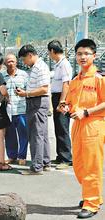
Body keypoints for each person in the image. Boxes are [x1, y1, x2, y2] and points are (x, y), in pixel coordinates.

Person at [58, 39, 105, 219]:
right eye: (79, 54)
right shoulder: (75, 81)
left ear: (94, 56)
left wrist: (87, 112)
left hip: (94, 125)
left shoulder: (99, 79)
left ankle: (92, 203)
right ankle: (91, 194)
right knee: (78, 165)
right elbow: (70, 103)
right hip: (77, 125)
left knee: (92, 165)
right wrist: (65, 106)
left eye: (86, 53)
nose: (82, 57)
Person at [16, 44, 51, 175]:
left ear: (30, 55)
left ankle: (37, 167)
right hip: (37, 101)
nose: (24, 62)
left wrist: (26, 94)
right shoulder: (37, 67)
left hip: (37, 102)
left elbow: (44, 89)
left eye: (24, 59)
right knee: (42, 134)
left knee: (36, 135)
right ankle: (45, 162)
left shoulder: (40, 67)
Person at [47, 40, 73, 170]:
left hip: (61, 97)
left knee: (62, 128)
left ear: (52, 51)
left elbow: (66, 84)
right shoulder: (59, 64)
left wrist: (62, 102)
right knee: (58, 127)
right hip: (56, 96)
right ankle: (60, 155)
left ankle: (67, 158)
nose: (49, 55)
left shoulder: (64, 64)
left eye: (49, 53)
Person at [3, 53, 28, 166]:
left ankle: (22, 156)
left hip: (22, 110)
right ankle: (12, 156)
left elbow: (30, 90)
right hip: (8, 111)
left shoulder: (24, 75)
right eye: (8, 61)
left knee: (23, 134)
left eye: (12, 61)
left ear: (16, 62)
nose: (11, 63)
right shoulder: (2, 77)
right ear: (5, 63)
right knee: (10, 135)